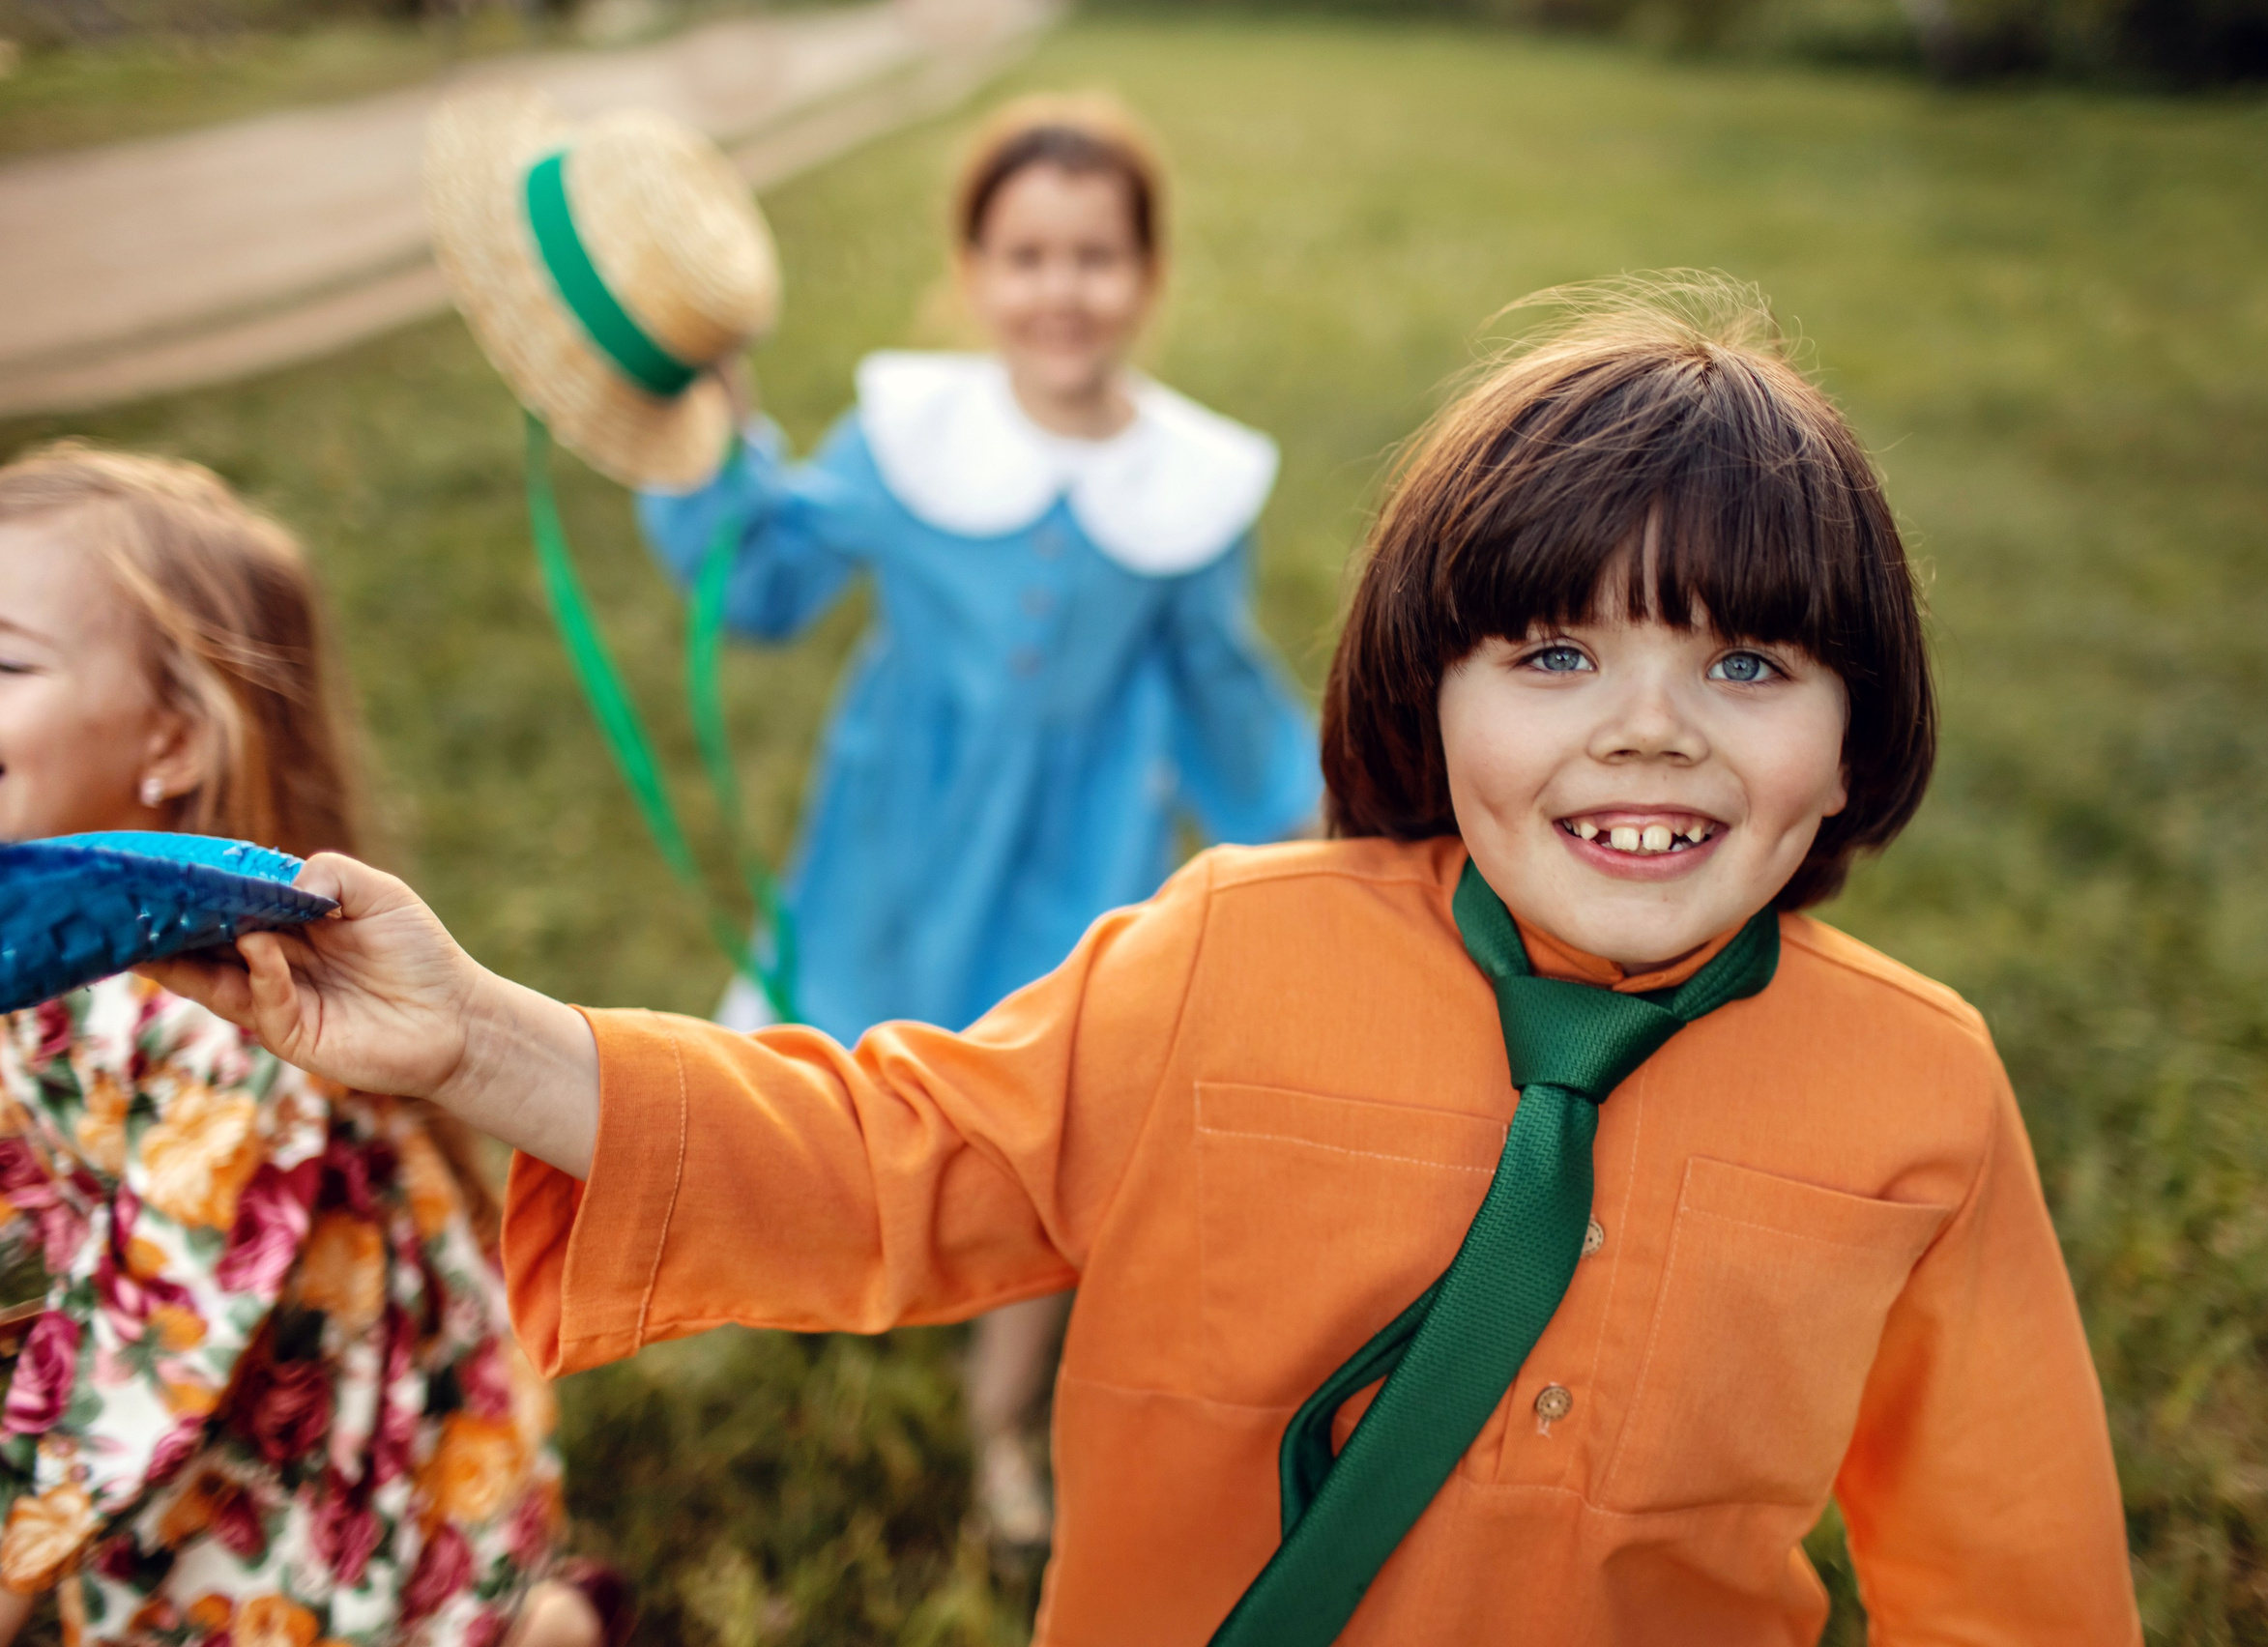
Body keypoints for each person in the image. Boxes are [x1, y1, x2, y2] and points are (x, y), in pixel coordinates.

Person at [153, 283, 2143, 1645]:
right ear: (1419, 687)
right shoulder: (1223, 954)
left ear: (1855, 727)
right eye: (1553, 655)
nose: (1648, 730)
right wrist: (482, 1039)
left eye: (1744, 662)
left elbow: (2009, 1561)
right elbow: (880, 1156)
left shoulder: (1919, 1095)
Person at [633, 95, 1323, 1545]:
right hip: (897, 842)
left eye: (1095, 255)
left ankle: (1001, 1428)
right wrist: (711, 437)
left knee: (1052, 1131)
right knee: (817, 1064)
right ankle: (745, 1283)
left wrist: (1327, 826)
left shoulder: (1192, 486)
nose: (1059, 290)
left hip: (1078, 862)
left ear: (1147, 272)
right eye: (1025, 256)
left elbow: (1218, 685)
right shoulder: (909, 435)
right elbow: (765, 584)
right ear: (972, 270)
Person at [0, 445, 621, 1647]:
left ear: (171, 746)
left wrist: (14, 1564)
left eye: (1, 662)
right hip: (155, 1441)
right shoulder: (34, 940)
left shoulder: (222, 1003)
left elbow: (152, 1337)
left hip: (291, 1437)